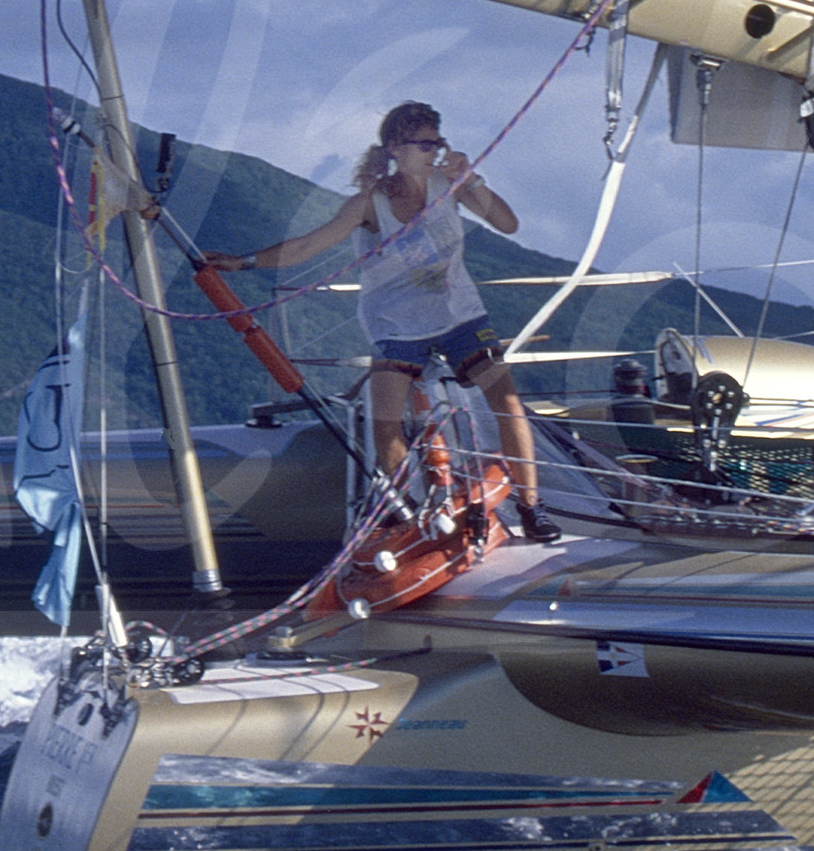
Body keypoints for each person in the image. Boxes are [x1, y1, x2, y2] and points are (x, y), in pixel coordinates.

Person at [206, 100, 559, 540]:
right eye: (424, 144)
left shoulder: (449, 185)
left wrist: (471, 179)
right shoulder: (369, 204)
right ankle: (405, 510)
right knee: (385, 424)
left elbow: (508, 224)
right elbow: (307, 246)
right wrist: (241, 262)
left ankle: (531, 506)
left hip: (460, 316)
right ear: (396, 147)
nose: (434, 152)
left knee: (507, 402)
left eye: (437, 143)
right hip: (396, 324)